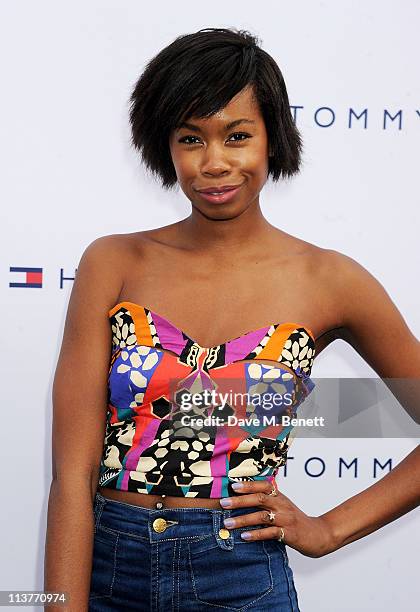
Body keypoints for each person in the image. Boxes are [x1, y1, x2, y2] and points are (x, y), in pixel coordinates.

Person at [44, 27, 420, 612]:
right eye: (191, 138)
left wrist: (328, 530)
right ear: (164, 145)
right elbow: (72, 474)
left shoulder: (329, 279)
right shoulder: (113, 262)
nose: (215, 162)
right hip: (110, 573)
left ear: (273, 138)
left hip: (242, 579)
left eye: (237, 136)